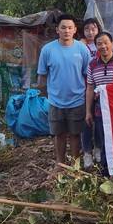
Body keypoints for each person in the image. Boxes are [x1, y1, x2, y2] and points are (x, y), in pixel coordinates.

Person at [37, 14, 91, 167]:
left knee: (75, 134)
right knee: (58, 134)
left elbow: (88, 76)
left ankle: (75, 165)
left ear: (75, 30)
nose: (66, 30)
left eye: (69, 27)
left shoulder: (82, 49)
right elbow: (42, 77)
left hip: (77, 100)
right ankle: (60, 164)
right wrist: (48, 96)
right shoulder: (48, 50)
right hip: (55, 101)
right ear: (57, 30)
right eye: (63, 27)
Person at [84, 31, 113, 172]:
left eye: (106, 42)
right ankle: (106, 170)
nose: (103, 46)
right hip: (100, 110)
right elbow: (90, 88)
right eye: (99, 44)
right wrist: (88, 112)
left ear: (112, 44)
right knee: (104, 140)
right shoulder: (92, 65)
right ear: (95, 46)